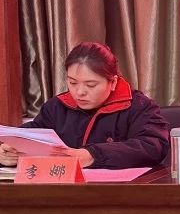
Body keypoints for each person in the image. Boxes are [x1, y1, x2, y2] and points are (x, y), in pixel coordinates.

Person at [0, 42, 168, 169]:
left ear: (113, 82)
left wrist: (93, 155)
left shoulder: (139, 106)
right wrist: (8, 151)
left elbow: (153, 146)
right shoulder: (56, 107)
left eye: (90, 85)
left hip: (118, 194)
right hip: (61, 193)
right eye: (73, 83)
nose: (79, 92)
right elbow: (28, 136)